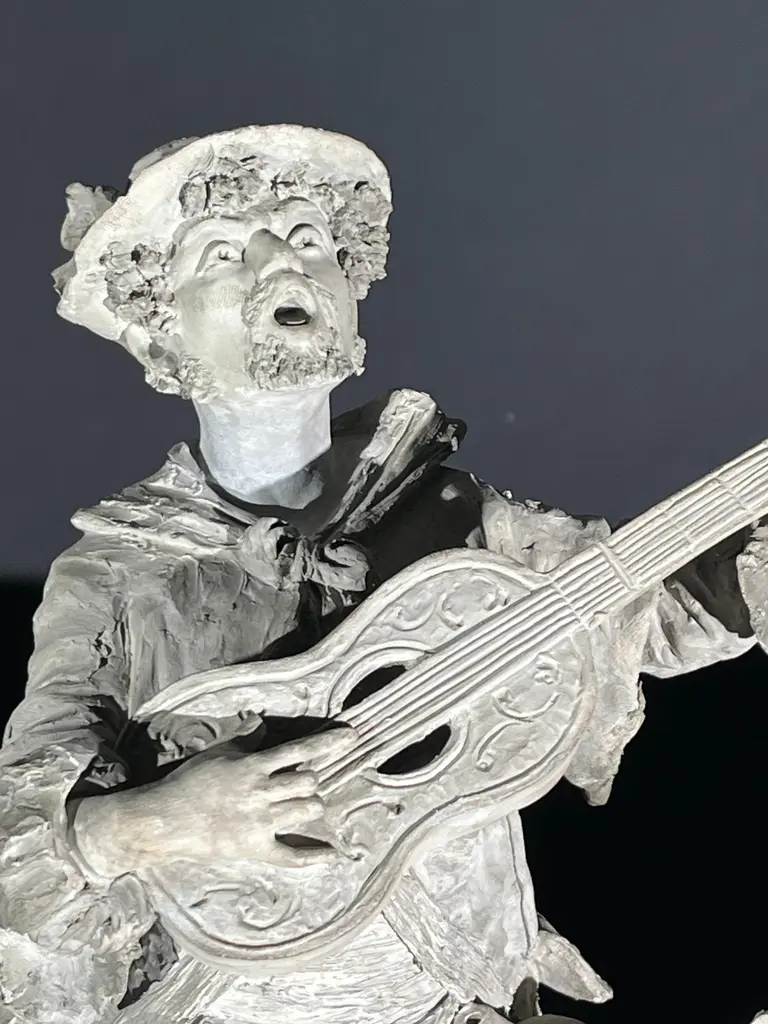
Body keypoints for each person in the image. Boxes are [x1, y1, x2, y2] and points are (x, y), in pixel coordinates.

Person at [0, 124, 763, 1024]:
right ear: (162, 333)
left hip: (454, 1000)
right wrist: (159, 821)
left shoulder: (450, 513)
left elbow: (653, 612)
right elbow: (21, 838)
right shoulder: (119, 573)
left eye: (310, 239)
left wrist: (750, 572)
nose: (283, 263)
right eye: (224, 253)